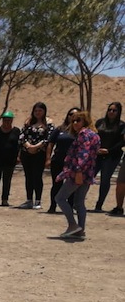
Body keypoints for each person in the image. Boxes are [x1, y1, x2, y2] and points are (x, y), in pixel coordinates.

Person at [54, 111, 100, 239]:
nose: (75, 123)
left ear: (84, 121)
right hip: (89, 172)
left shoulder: (83, 134)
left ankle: (73, 225)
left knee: (60, 198)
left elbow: (83, 153)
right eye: (73, 120)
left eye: (78, 120)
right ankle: (80, 230)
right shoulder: (94, 135)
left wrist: (78, 170)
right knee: (79, 202)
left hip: (78, 172)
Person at [17, 102, 54, 210]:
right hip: (26, 152)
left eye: (40, 111)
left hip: (40, 154)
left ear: (44, 112)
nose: (38, 113)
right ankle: (29, 200)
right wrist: (28, 146)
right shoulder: (28, 122)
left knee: (37, 176)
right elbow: (21, 136)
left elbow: (49, 138)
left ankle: (38, 200)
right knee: (28, 176)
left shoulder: (49, 123)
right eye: (36, 111)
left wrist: (37, 146)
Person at [46, 107, 80, 214]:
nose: (72, 117)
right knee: (56, 184)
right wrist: (48, 159)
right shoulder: (60, 129)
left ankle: (69, 207)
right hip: (58, 160)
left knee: (71, 185)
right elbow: (50, 144)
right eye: (70, 114)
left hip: (73, 163)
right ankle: (53, 206)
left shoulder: (80, 131)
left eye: (76, 115)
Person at [92, 101, 124, 212]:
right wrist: (95, 149)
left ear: (118, 112)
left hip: (112, 156)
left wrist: (109, 150)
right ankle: (77, 202)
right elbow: (93, 136)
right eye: (110, 109)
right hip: (97, 154)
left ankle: (99, 205)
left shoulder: (121, 125)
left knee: (105, 179)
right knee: (89, 176)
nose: (111, 112)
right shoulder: (100, 122)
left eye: (114, 110)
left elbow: (122, 142)